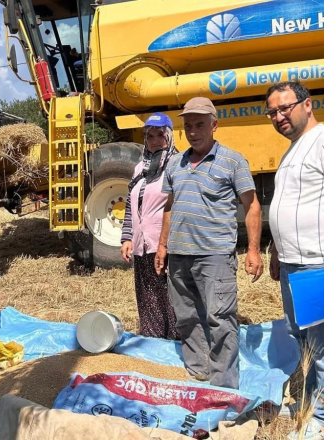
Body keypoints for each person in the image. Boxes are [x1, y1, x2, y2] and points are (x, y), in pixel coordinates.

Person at [154, 96, 264, 389]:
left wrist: (253, 250)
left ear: (214, 125)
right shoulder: (175, 163)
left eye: (200, 124)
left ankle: (224, 385)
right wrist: (163, 246)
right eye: (188, 125)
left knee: (219, 318)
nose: (193, 130)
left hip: (214, 255)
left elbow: (252, 206)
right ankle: (198, 371)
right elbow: (169, 206)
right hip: (179, 255)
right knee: (187, 315)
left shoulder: (233, 160)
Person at [264, 81, 324, 435]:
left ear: (308, 104)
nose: (279, 116)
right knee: (306, 341)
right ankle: (316, 402)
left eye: (285, 107)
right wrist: (276, 251)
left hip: (315, 264)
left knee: (323, 347)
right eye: (272, 111)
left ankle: (322, 422)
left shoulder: (324, 141)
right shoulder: (292, 149)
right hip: (292, 264)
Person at [120, 112, 180, 340]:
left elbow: (178, 205)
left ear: (169, 136)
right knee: (148, 296)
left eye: (160, 135)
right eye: (150, 136)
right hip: (142, 245)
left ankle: (176, 343)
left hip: (166, 244)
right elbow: (130, 205)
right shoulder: (140, 169)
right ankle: (154, 341)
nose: (155, 141)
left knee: (170, 296)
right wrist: (127, 238)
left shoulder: (176, 165)